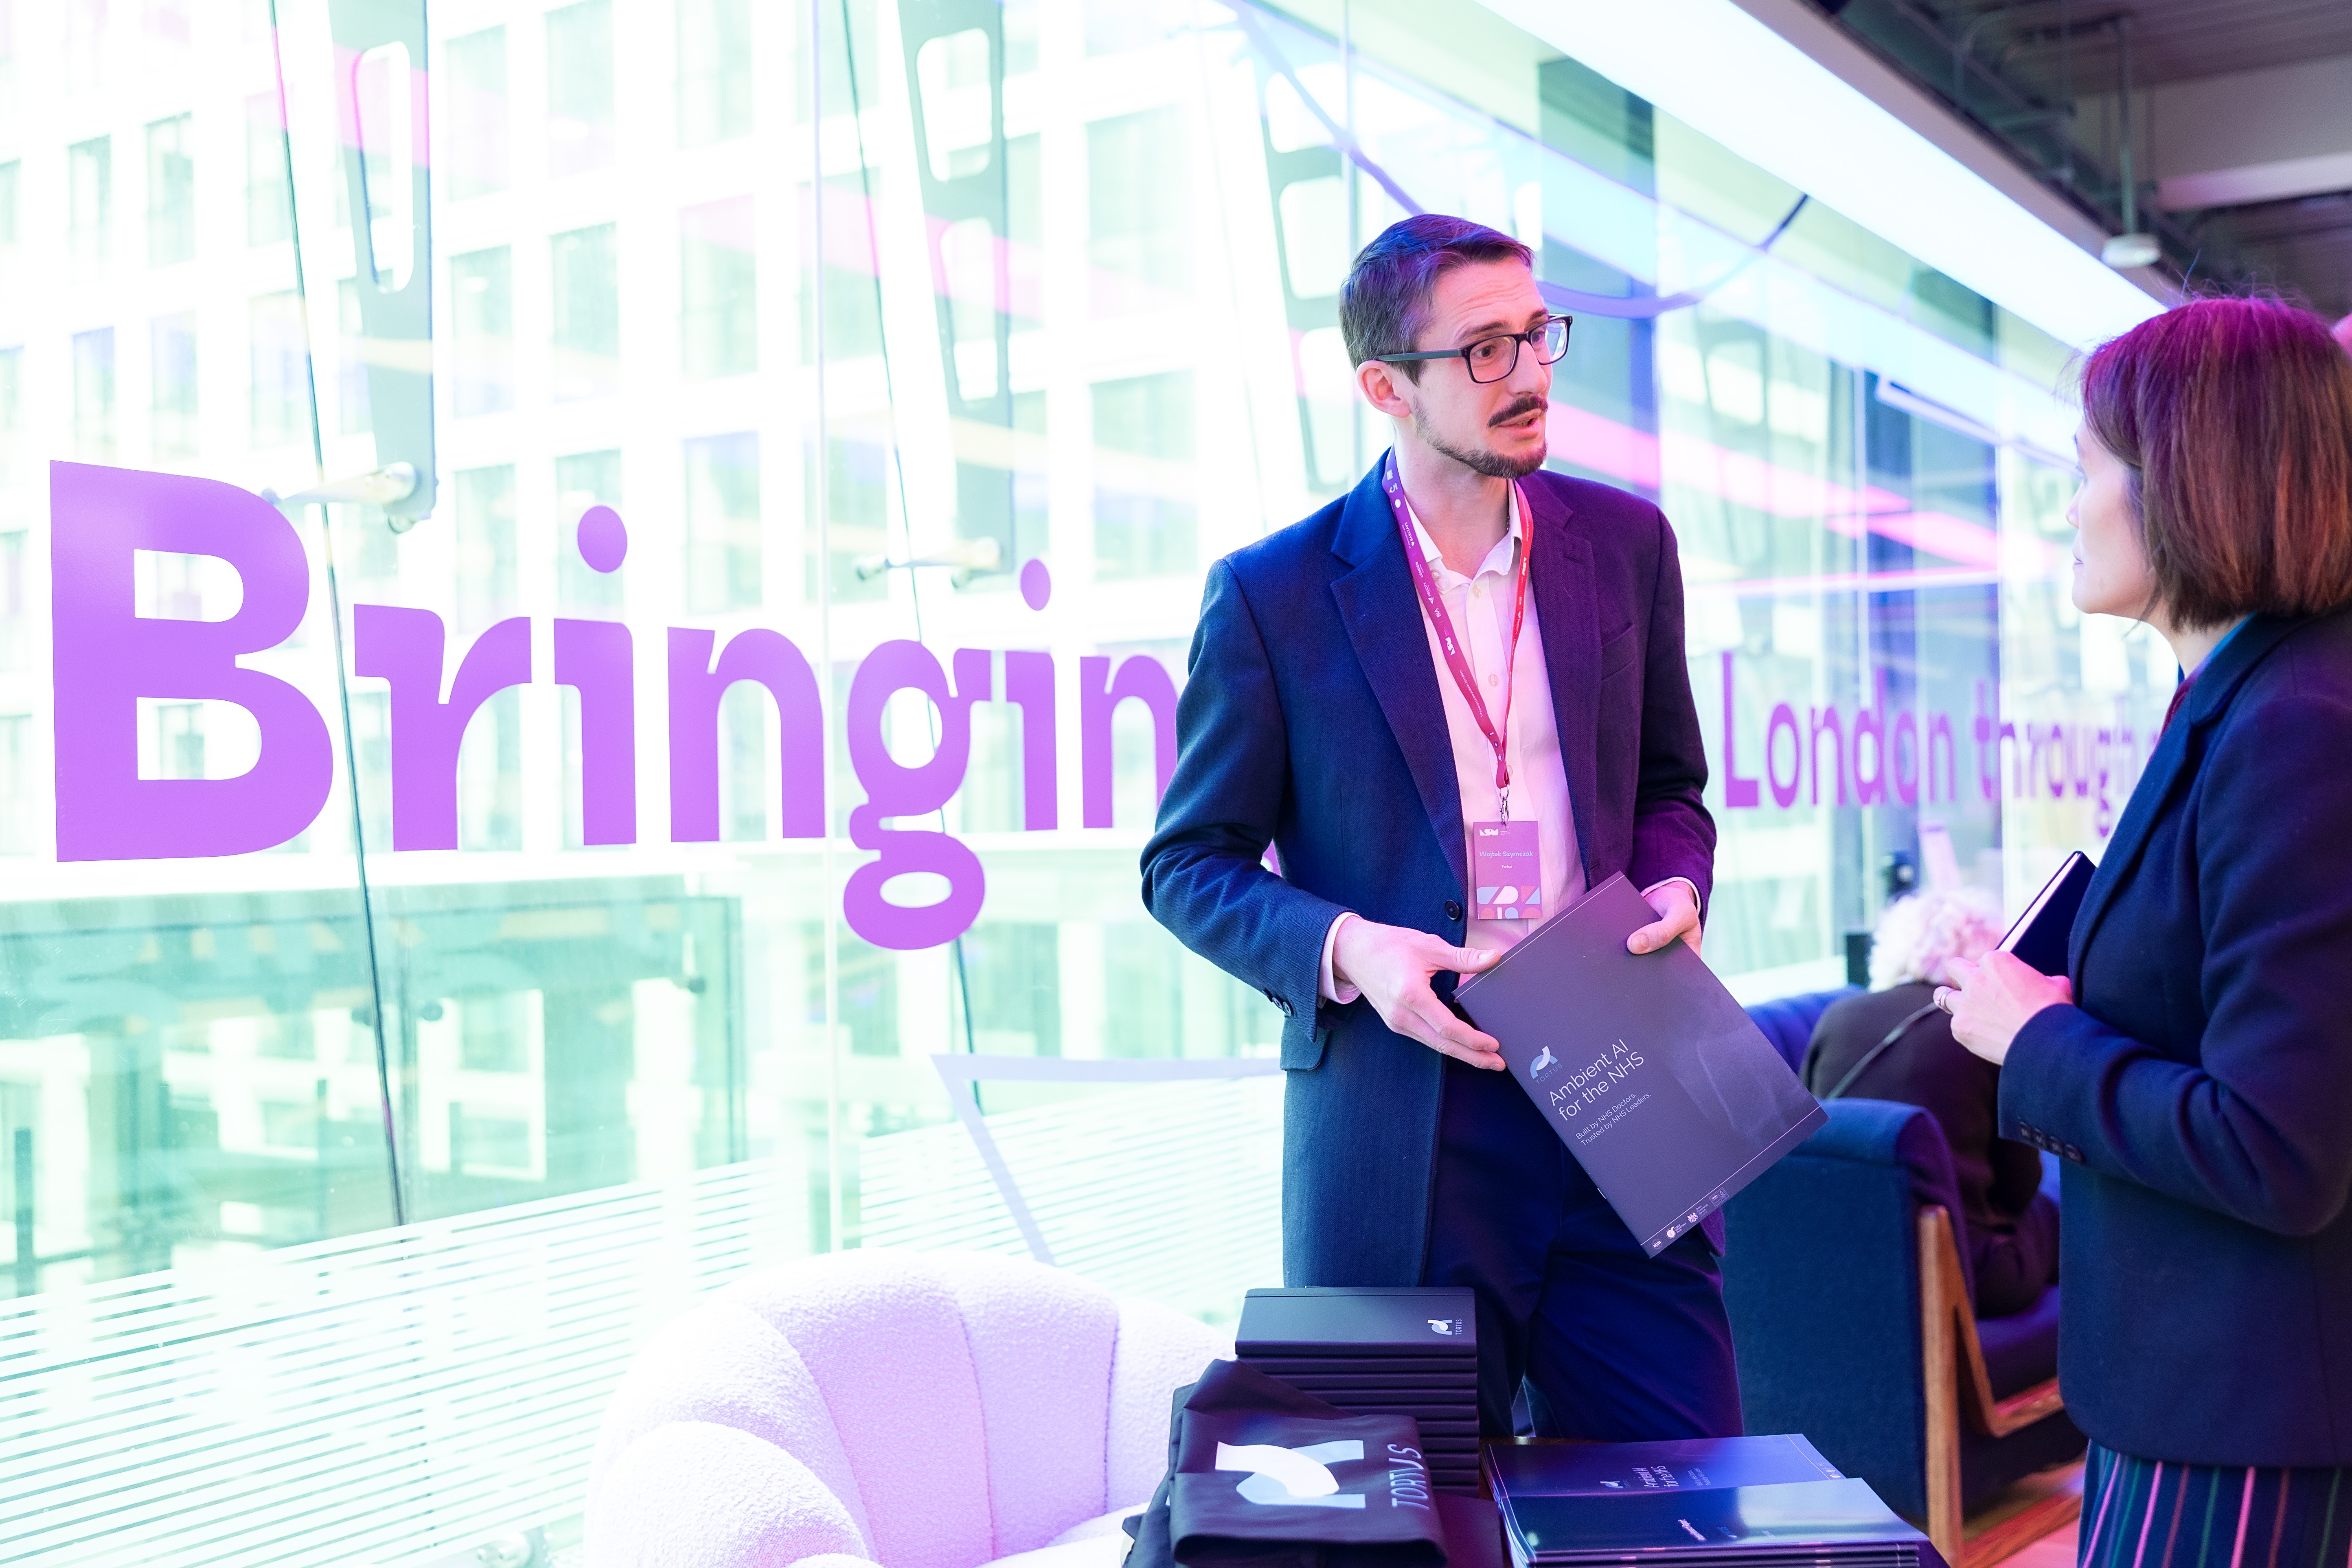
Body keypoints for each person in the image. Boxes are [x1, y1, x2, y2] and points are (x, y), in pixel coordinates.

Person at [1141, 214, 1734, 1442]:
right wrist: (1350, 946)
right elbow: (1185, 864)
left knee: (1683, 1483)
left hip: (1621, 1077)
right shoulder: (1271, 593)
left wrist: (1678, 886)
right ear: (1385, 388)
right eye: (1482, 350)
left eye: (1535, 334)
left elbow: (1672, 791)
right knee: (1402, 1508)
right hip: (1403, 1112)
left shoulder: (1626, 547)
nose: (1527, 374)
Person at [1938, 297, 2352, 1568]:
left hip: (2241, 1417)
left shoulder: (2292, 724)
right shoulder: (2240, 696)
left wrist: (2037, 1037)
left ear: (2185, 479)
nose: (2067, 509)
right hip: (2202, 1396)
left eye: (2084, 471)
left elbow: (2277, 1149)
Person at [1802, 887, 2058, 1318]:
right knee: (2061, 1210)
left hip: (1841, 1266)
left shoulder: (1836, 1018)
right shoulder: (1984, 1036)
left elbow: (1806, 1143)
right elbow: (2018, 1188)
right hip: (1965, 1276)